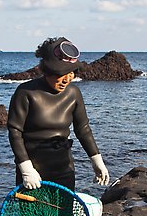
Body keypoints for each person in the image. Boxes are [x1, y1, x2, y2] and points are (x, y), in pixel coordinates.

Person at [7, 36, 110, 191]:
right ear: (47, 70)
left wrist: (96, 160)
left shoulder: (73, 93)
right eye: (61, 73)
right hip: (33, 168)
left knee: (63, 214)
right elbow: (15, 131)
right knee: (32, 214)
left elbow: (83, 129)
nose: (67, 79)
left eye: (71, 72)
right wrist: (25, 168)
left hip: (64, 167)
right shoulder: (26, 92)